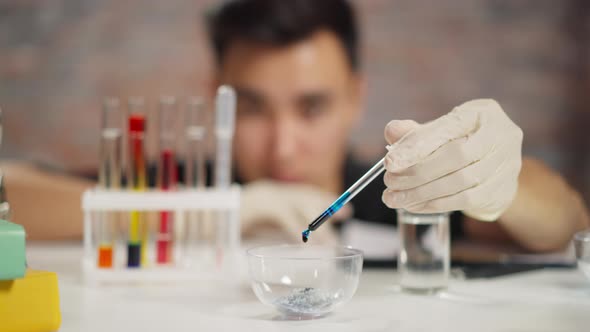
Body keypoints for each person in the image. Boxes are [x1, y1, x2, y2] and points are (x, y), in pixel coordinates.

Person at [3, 0, 588, 251]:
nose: (283, 145)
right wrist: (221, 210)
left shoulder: (396, 192)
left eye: (311, 107)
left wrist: (501, 181)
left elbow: (566, 225)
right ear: (218, 98)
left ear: (356, 97)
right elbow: (13, 196)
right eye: (254, 108)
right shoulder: (188, 183)